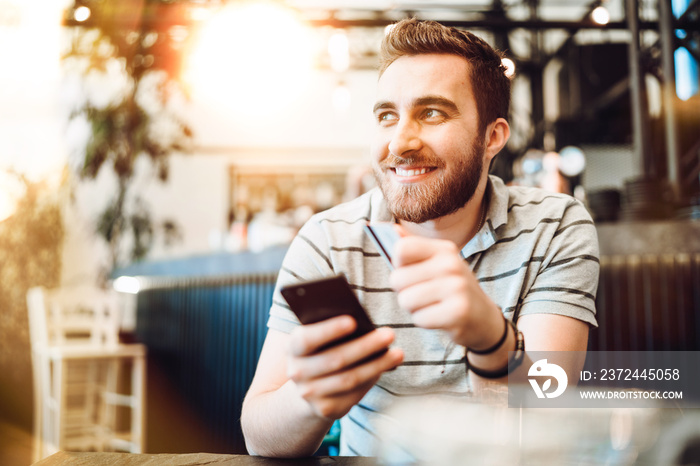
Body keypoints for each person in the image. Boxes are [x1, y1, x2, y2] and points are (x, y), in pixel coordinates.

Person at [241, 18, 599, 458]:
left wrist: (491, 341)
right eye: (387, 116)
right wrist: (310, 399)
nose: (399, 142)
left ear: (492, 137)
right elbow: (257, 435)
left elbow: (545, 418)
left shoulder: (555, 226)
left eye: (432, 113)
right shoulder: (329, 240)